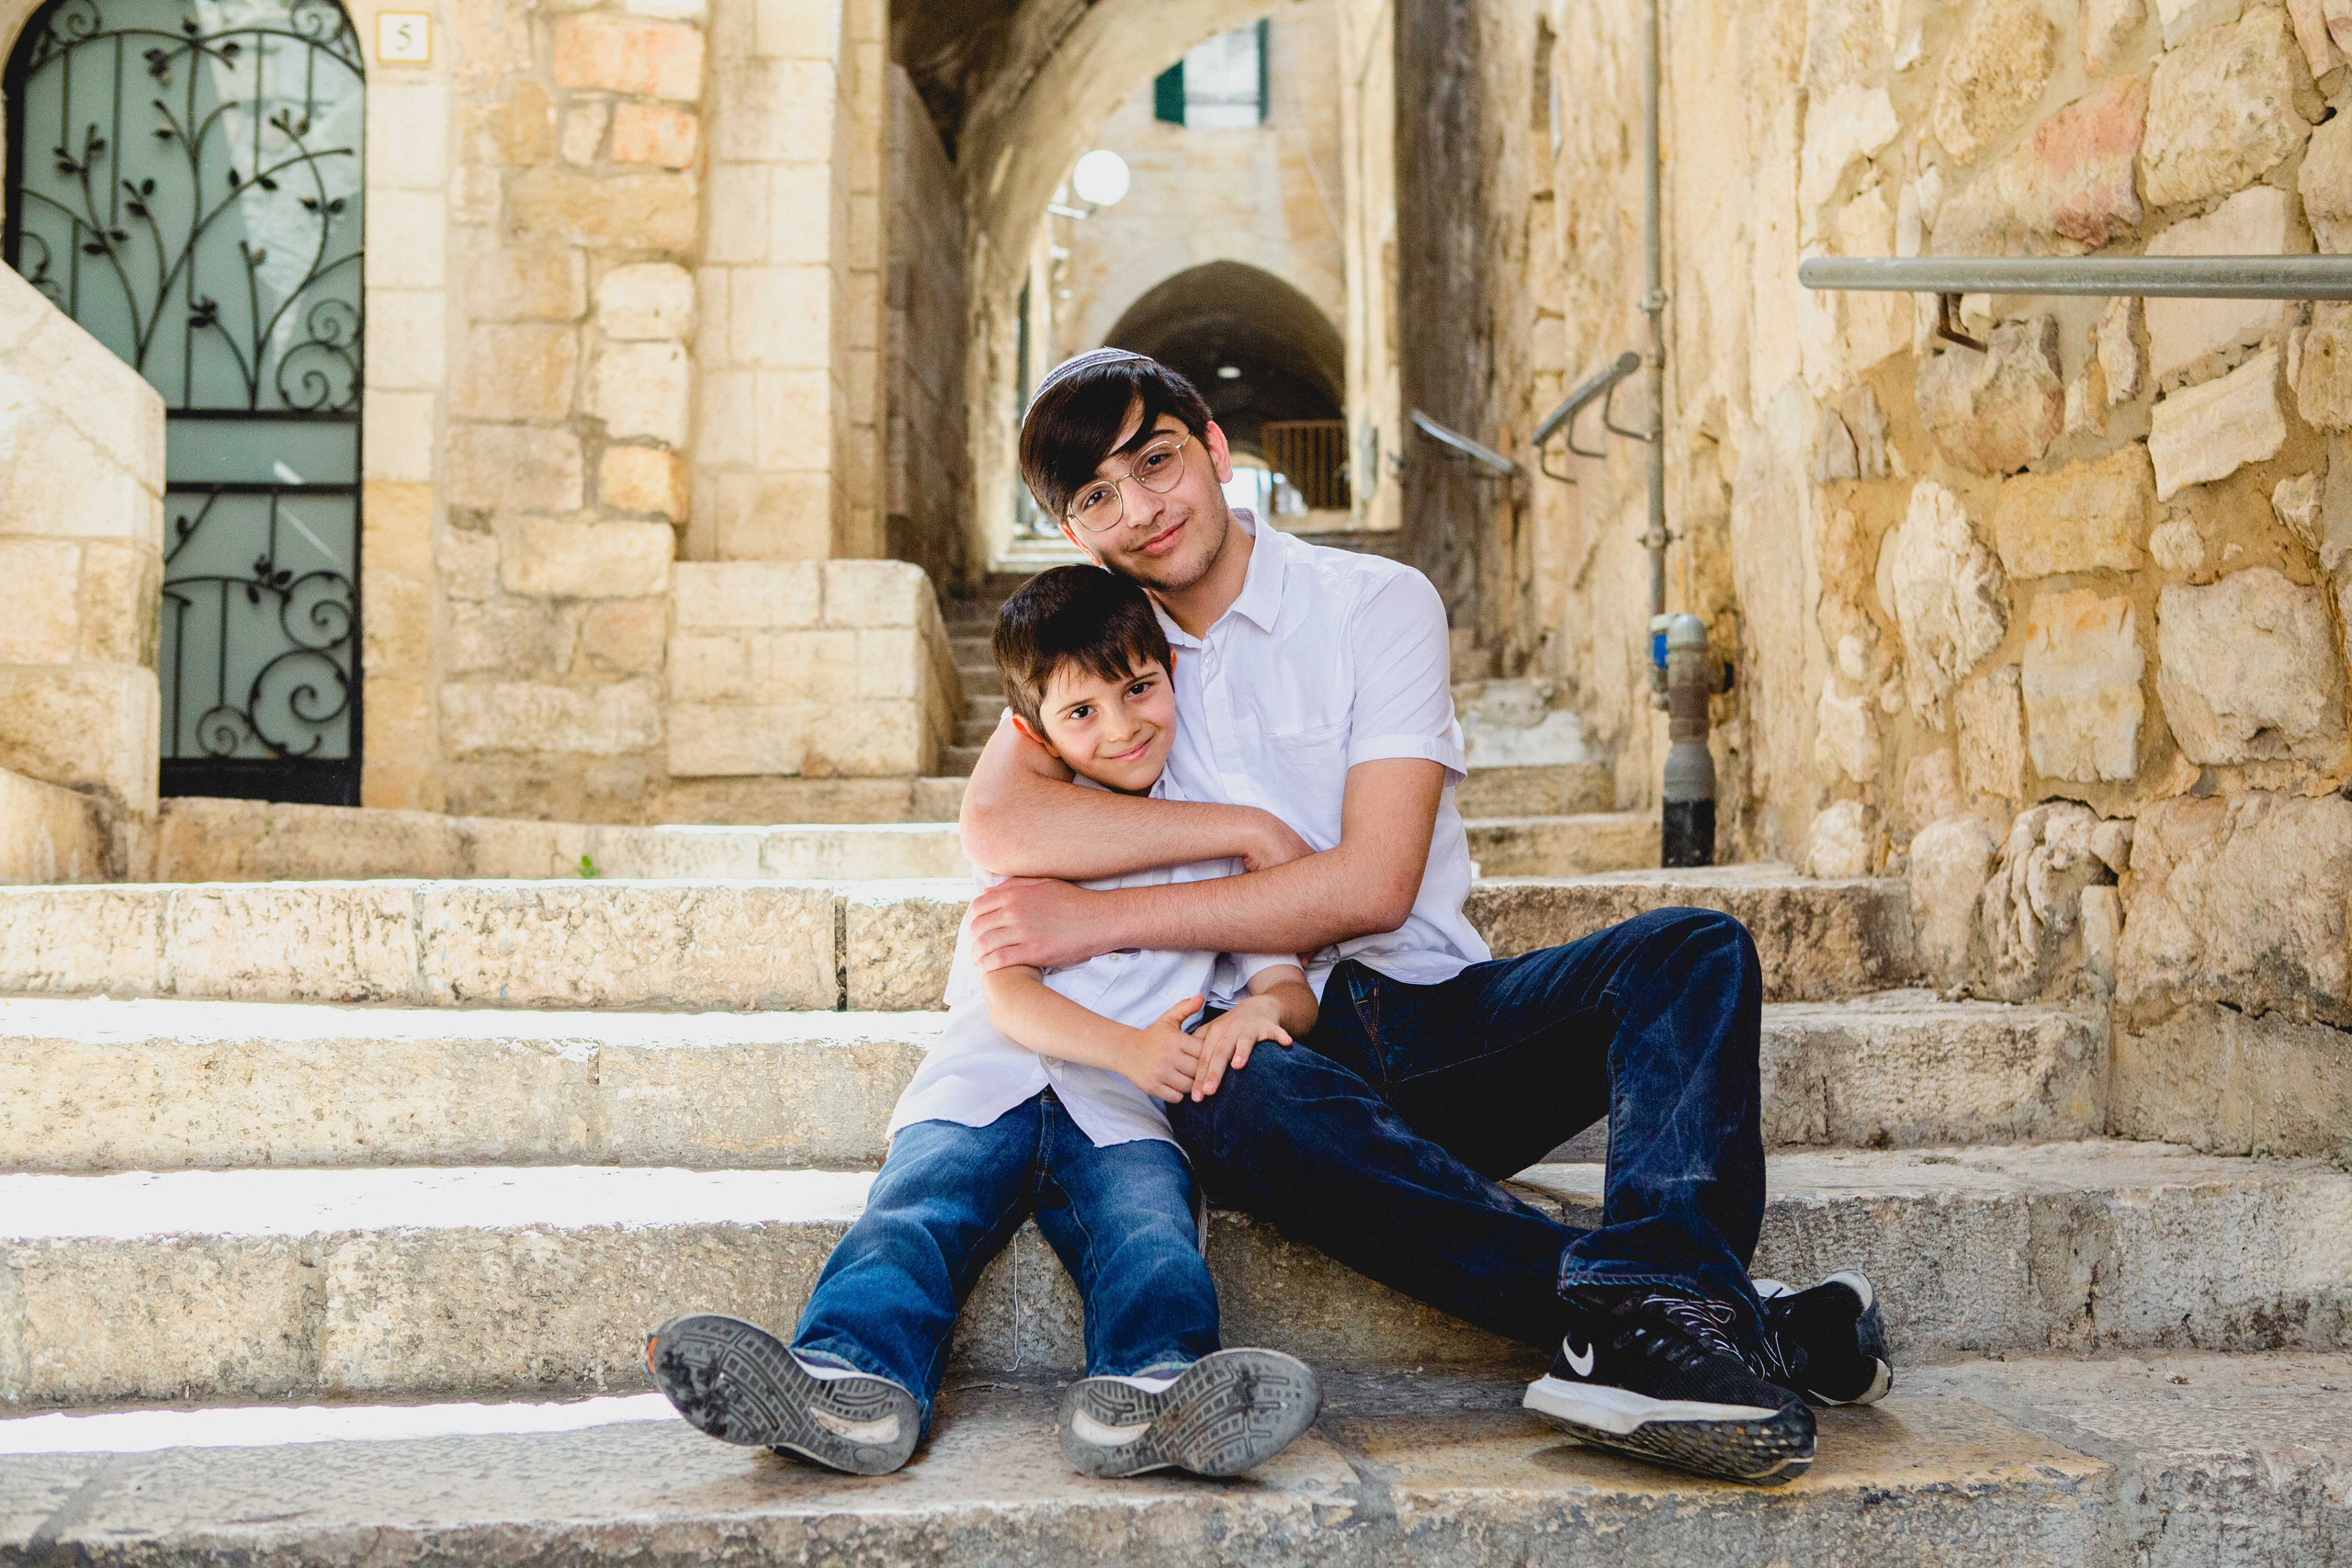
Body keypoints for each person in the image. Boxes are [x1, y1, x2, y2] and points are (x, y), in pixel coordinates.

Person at [957, 348, 1892, 1486]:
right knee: (1226, 1077)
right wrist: (1246, 845)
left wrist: (1109, 918)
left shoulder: (1374, 603)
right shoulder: (1107, 654)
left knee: (1692, 951)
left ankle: (1657, 1314)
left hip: (1435, 1018)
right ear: (1072, 534)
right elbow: (996, 828)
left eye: (1157, 463)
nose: (1141, 510)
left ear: (1213, 451)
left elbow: (1371, 886)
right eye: (1097, 496)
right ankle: (1687, 1322)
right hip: (1265, 1047)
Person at [647, 564, 1323, 1481]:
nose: (1122, 727)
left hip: (1125, 1115)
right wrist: (1130, 1048)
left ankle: (1155, 1392)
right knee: (911, 1216)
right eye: (1080, 712)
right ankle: (849, 1379)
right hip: (986, 1083)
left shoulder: (1204, 829)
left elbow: (1288, 979)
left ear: (1173, 674)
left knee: (1149, 1236)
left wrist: (1257, 1012)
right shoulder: (1041, 828)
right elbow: (1007, 995)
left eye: (1138, 688)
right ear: (1032, 734)